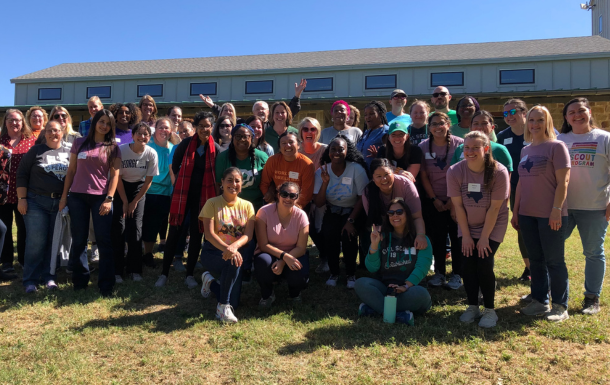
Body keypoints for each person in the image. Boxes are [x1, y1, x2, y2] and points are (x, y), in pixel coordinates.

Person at [512, 105, 571, 322]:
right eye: (531, 120)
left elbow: (563, 181)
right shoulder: (525, 150)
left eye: (539, 120)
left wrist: (556, 210)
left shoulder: (557, 147)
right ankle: (539, 300)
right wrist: (516, 210)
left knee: (554, 261)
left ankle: (559, 305)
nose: (535, 124)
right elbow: (520, 184)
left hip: (550, 214)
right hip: (527, 214)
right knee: (535, 259)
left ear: (547, 122)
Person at [447, 131, 510, 328]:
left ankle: (490, 310)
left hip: (492, 224)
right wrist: (466, 236)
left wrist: (484, 238)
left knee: (484, 263)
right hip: (467, 222)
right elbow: (458, 207)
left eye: (475, 147)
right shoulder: (455, 171)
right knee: (467, 265)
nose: (470, 151)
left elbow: (494, 208)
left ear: (486, 148)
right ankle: (473, 306)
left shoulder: (499, 172)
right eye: (467, 147)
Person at [155, 111, 221, 288]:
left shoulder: (217, 149)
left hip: (204, 199)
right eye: (201, 126)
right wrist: (182, 185)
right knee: (174, 233)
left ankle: (189, 274)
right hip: (183, 196)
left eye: (207, 126)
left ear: (212, 127)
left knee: (197, 234)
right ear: (195, 128)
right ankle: (164, 274)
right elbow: (175, 166)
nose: (204, 129)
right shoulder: (185, 145)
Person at [60, 109, 121, 297]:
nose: (104, 125)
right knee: (79, 241)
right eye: (101, 121)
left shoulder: (113, 147)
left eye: (108, 123)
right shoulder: (79, 143)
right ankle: (80, 281)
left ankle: (106, 285)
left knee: (104, 241)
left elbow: (115, 174)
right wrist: (64, 197)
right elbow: (71, 171)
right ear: (95, 122)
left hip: (100, 198)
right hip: (77, 196)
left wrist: (109, 198)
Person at [558, 97, 610, 315]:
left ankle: (591, 298)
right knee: (551, 251)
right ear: (566, 118)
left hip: (595, 206)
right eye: (572, 112)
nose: (577, 115)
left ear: (589, 112)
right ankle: (551, 295)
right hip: (562, 208)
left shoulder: (604, 138)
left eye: (581, 111)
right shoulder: (559, 139)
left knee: (593, 253)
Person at [355, 198, 433, 324]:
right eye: (391, 213)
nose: (395, 216)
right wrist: (374, 245)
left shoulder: (420, 239)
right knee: (361, 283)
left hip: (410, 288)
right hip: (385, 288)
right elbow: (372, 268)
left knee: (422, 295)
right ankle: (398, 315)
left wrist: (405, 286)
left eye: (399, 212)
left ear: (407, 214)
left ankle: (376, 309)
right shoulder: (382, 236)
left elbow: (422, 268)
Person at [17, 121, 70, 292]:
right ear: (44, 133)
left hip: (60, 203)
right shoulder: (36, 151)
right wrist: (21, 198)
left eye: (56, 130)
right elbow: (22, 174)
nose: (53, 133)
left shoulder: (70, 152)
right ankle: (30, 280)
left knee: (53, 242)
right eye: (49, 131)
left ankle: (49, 277)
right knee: (36, 241)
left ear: (62, 132)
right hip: (36, 201)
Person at [199, 167, 255, 323]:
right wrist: (228, 249)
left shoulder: (248, 206)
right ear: (222, 183)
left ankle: (210, 283)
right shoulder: (212, 203)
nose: (233, 184)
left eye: (237, 180)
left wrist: (233, 248)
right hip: (212, 252)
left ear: (242, 184)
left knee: (235, 303)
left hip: (234, 253)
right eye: (229, 180)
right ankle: (222, 308)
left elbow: (248, 235)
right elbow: (209, 235)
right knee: (233, 261)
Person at [314, 136, 369, 288]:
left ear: (347, 151)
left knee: (349, 237)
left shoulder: (356, 169)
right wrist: (325, 183)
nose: (337, 152)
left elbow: (361, 197)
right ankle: (334, 273)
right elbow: (318, 203)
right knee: (329, 236)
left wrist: (351, 221)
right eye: (333, 149)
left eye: (341, 149)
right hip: (333, 209)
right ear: (328, 152)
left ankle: (351, 274)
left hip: (353, 211)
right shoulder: (322, 171)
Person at [418, 112, 464, 289]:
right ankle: (439, 273)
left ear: (448, 124)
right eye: (434, 124)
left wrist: (453, 201)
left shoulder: (460, 144)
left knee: (456, 237)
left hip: (457, 200)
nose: (438, 127)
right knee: (437, 238)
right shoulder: (423, 147)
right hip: (434, 200)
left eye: (441, 123)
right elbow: (423, 175)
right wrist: (434, 199)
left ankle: (457, 274)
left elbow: (463, 174)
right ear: (429, 127)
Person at [112, 122, 158, 282]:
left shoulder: (151, 153)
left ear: (149, 137)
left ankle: (134, 269)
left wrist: (134, 202)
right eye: (139, 133)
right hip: (121, 187)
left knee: (136, 229)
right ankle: (117, 270)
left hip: (139, 190)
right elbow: (116, 177)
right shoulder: (121, 150)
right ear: (132, 135)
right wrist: (125, 201)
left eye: (146, 134)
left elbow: (148, 182)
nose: (142, 137)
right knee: (119, 227)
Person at [254, 181, 310, 307]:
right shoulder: (264, 212)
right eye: (284, 194)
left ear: (297, 198)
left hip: (293, 253)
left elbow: (301, 248)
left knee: (300, 273)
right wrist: (284, 256)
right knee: (263, 263)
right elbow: (263, 245)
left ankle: (295, 294)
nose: (287, 198)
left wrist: (284, 261)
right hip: (269, 252)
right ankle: (267, 294)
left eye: (292, 196)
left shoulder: (301, 216)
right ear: (278, 194)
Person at [497, 99, 530, 281]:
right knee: (521, 227)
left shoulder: (536, 131)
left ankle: (543, 265)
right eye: (505, 114)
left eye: (512, 112)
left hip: (538, 189)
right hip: (515, 189)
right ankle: (529, 268)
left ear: (524, 113)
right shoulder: (502, 136)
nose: (508, 117)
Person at [362, 158, 427, 250]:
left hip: (407, 228)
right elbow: (374, 221)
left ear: (393, 173)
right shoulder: (367, 192)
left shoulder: (406, 185)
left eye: (386, 174)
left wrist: (420, 235)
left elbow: (417, 217)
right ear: (373, 178)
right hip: (384, 228)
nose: (384, 179)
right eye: (378, 176)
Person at [0, 109, 36, 273]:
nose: (15, 123)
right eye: (11, 120)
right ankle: (6, 262)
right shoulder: (0, 141)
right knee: (5, 228)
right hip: (3, 193)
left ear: (23, 122)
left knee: (24, 228)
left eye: (18, 120)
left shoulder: (31, 141)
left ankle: (22, 259)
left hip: (24, 193)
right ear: (5, 122)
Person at [142, 118, 174, 268]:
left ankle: (150, 252)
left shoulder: (173, 148)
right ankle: (146, 253)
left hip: (166, 193)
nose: (163, 130)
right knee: (147, 224)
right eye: (161, 127)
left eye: (166, 128)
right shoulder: (148, 147)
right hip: (148, 191)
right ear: (155, 129)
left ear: (171, 130)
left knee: (158, 224)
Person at [215, 123, 268, 212]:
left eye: (246, 136)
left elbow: (269, 182)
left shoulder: (262, 157)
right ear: (232, 138)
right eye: (238, 136)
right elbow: (218, 184)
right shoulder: (223, 157)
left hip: (256, 207)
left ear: (252, 139)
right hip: (229, 207)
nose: (242, 139)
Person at [260, 131, 314, 208]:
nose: (288, 145)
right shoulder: (272, 160)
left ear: (298, 145)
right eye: (283, 143)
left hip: (298, 206)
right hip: (276, 204)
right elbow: (264, 183)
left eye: (291, 142)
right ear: (279, 147)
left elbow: (306, 194)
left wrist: (292, 208)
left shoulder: (307, 164)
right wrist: (272, 203)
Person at [357, 101, 389, 165]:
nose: (368, 117)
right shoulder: (365, 133)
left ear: (380, 114)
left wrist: (379, 155)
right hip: (361, 172)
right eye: (365, 114)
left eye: (371, 114)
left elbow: (392, 155)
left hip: (376, 172)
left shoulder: (386, 131)